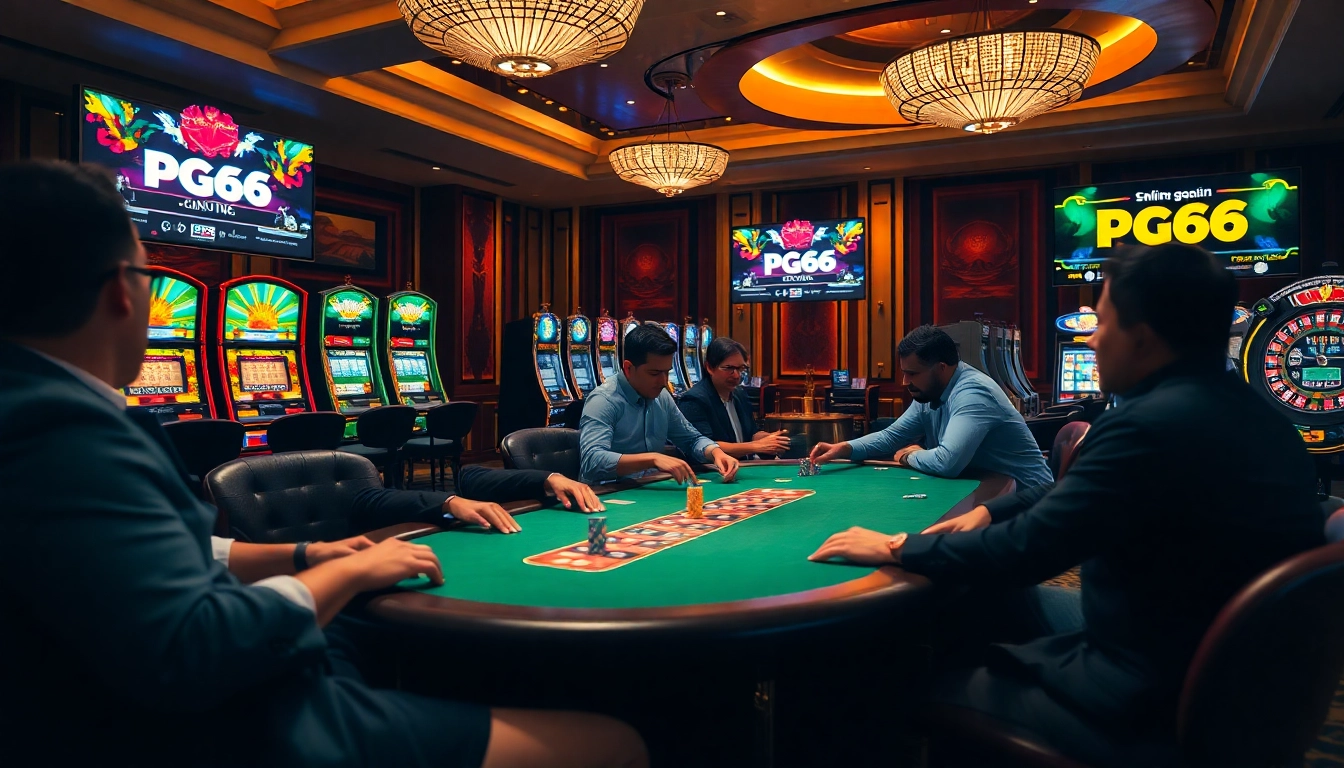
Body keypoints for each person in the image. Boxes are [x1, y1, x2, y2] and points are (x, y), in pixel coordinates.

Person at [0, 161, 647, 768]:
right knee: (616, 741)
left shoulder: (41, 410)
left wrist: (305, 557)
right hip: (237, 723)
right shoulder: (63, 430)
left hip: (192, 691)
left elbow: (170, 551)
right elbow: (194, 649)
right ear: (121, 291)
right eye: (147, 277)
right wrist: (351, 571)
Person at [810, 243, 1323, 765]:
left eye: (1100, 324)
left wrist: (899, 546)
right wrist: (990, 510)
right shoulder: (1258, 419)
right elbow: (1069, 492)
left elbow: (1030, 551)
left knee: (910, 678)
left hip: (1152, 688)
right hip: (1224, 670)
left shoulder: (1146, 426)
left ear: (1141, 338)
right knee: (979, 603)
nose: (1092, 341)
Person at [809, 325, 1053, 489]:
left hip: (1027, 501)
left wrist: (908, 455)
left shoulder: (973, 394)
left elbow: (947, 463)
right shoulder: (929, 391)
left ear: (942, 367)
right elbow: (891, 436)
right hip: (990, 488)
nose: (905, 382)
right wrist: (844, 448)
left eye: (912, 373)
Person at [579, 323, 739, 484]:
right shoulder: (603, 400)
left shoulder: (661, 396)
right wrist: (652, 459)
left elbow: (692, 439)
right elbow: (592, 460)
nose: (664, 381)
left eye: (667, 372)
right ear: (628, 368)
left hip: (647, 488)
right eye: (655, 373)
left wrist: (716, 452)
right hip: (607, 495)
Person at [677, 336, 790, 459]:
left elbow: (751, 433)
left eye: (740, 368)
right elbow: (705, 446)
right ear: (709, 367)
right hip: (712, 472)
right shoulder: (693, 400)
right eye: (729, 368)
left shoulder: (739, 394)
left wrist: (770, 439)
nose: (736, 375)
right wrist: (756, 446)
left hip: (743, 467)